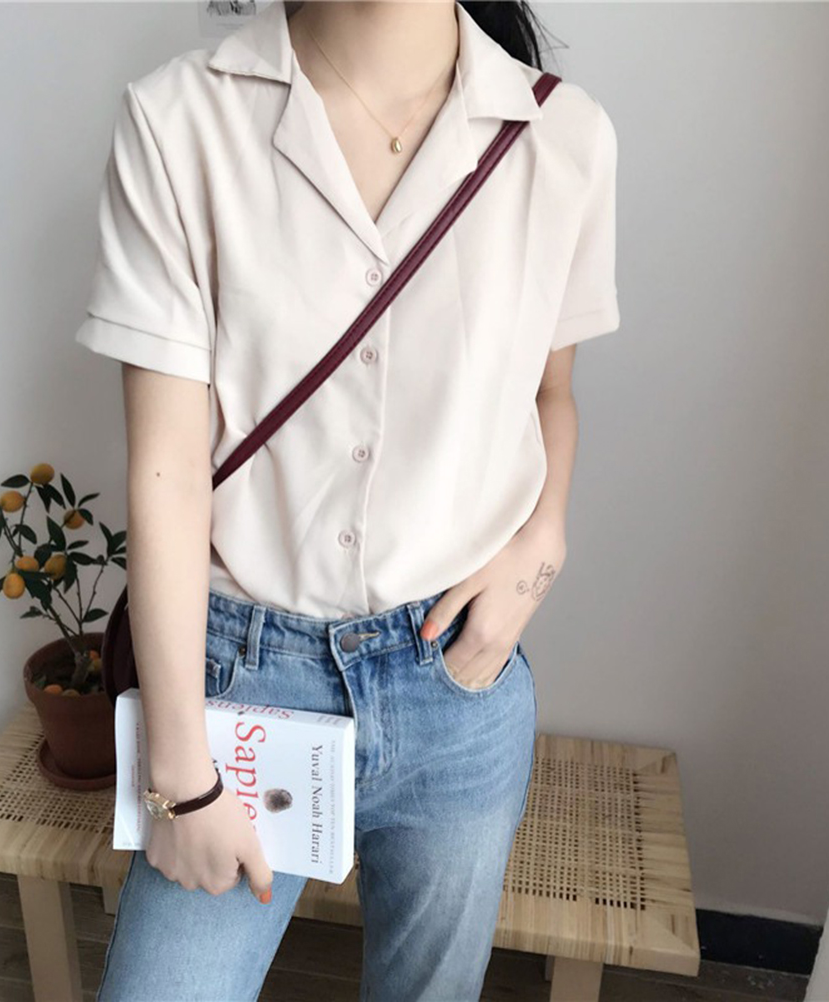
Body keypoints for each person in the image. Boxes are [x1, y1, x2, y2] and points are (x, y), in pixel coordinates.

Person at [75, 0, 620, 998]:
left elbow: (552, 393)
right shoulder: (180, 120)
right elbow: (167, 471)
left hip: (456, 678)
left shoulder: (564, 135)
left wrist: (541, 549)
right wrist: (181, 777)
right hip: (244, 674)